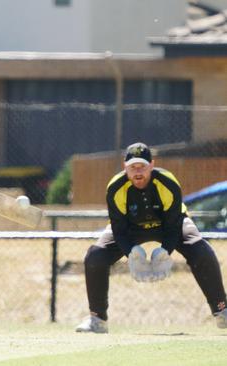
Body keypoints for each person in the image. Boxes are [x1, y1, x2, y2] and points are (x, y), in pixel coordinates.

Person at [75, 142, 227, 333]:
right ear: (125, 168)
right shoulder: (115, 187)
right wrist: (131, 252)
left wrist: (165, 251)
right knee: (95, 256)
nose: (137, 172)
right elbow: (119, 229)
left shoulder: (167, 182)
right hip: (130, 228)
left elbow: (173, 225)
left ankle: (222, 311)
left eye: (142, 166)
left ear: (152, 165)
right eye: (132, 167)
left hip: (169, 225)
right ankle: (97, 320)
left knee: (201, 250)